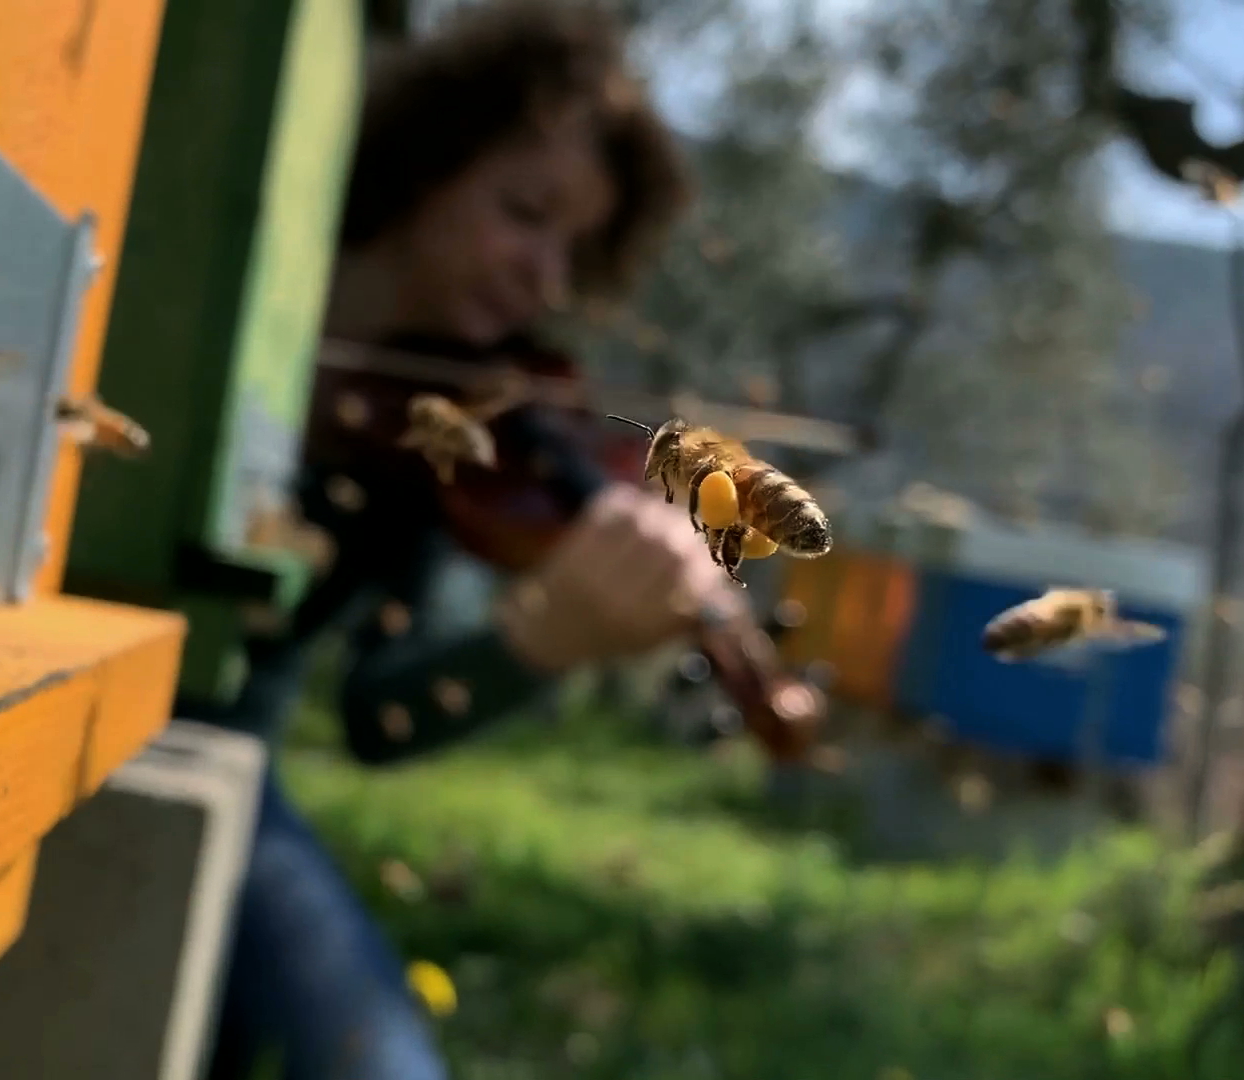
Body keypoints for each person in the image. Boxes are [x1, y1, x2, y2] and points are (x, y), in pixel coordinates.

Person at [193, 4, 749, 1077]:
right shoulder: (228, 253)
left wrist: (544, 635)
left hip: (224, 763)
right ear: (426, 161)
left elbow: (380, 711)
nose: (548, 278)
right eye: (525, 212)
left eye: (575, 248)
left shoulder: (466, 445)